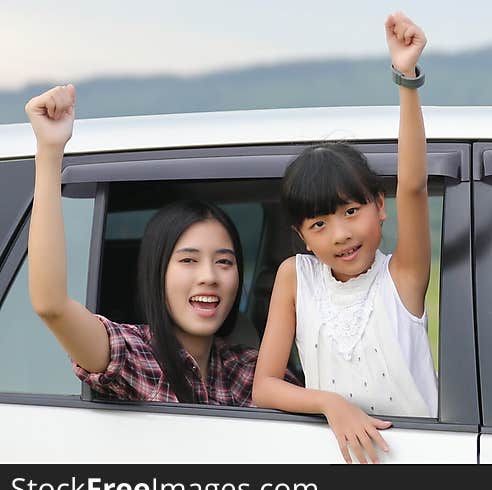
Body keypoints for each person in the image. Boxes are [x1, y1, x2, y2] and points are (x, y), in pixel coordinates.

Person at [25, 84, 299, 405]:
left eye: (224, 261)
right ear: (158, 273)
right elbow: (52, 305)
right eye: (188, 260)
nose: (209, 276)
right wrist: (49, 152)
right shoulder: (136, 357)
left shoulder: (247, 370)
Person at [253, 12, 438, 464]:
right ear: (301, 236)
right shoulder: (296, 277)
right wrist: (331, 403)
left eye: (351, 211)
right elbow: (265, 387)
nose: (340, 234)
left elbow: (413, 185)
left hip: (422, 455)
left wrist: (406, 78)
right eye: (319, 225)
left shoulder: (402, 276)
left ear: (380, 205)